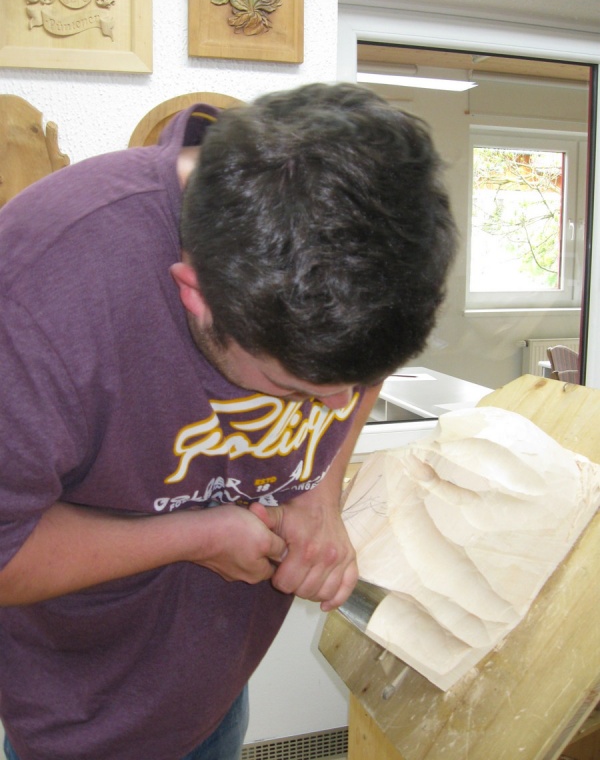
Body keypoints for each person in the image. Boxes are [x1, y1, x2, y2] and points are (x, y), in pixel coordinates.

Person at [0, 82, 456, 760]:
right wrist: (196, 535)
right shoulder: (37, 292)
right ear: (197, 295)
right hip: (86, 716)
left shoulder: (357, 255)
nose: (337, 409)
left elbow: (360, 372)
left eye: (353, 385)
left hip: (214, 683)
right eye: (298, 391)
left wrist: (319, 494)